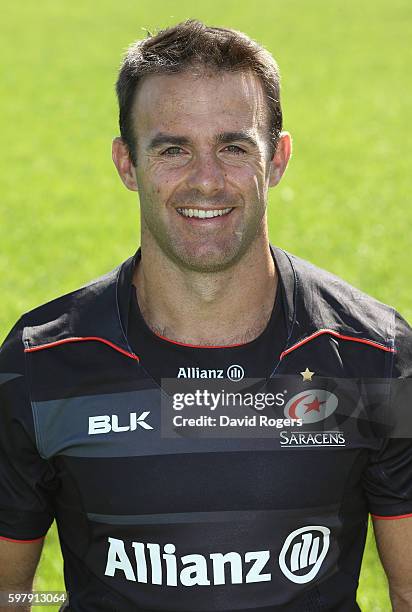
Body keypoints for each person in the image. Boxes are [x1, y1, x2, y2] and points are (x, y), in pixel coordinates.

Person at [0, 19, 411, 612]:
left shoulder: (377, 358)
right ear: (126, 163)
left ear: (277, 160)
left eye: (234, 146)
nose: (207, 181)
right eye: (172, 149)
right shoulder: (42, 363)